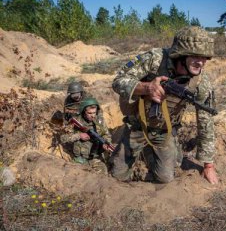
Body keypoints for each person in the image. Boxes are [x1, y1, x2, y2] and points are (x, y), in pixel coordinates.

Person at [111, 26, 218, 184]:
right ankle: (139, 149)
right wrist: (147, 88)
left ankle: (153, 151)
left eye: (205, 58)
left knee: (165, 178)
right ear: (181, 54)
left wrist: (208, 165)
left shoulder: (201, 81)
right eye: (195, 56)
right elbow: (118, 81)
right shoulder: (155, 59)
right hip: (137, 126)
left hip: (165, 131)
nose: (200, 62)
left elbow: (205, 121)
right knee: (118, 175)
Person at [61, 97, 111, 173]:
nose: (93, 115)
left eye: (94, 112)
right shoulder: (76, 121)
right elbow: (63, 138)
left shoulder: (100, 122)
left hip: (95, 158)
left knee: (102, 174)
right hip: (79, 158)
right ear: (84, 111)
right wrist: (79, 136)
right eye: (89, 113)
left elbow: (106, 135)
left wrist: (105, 143)